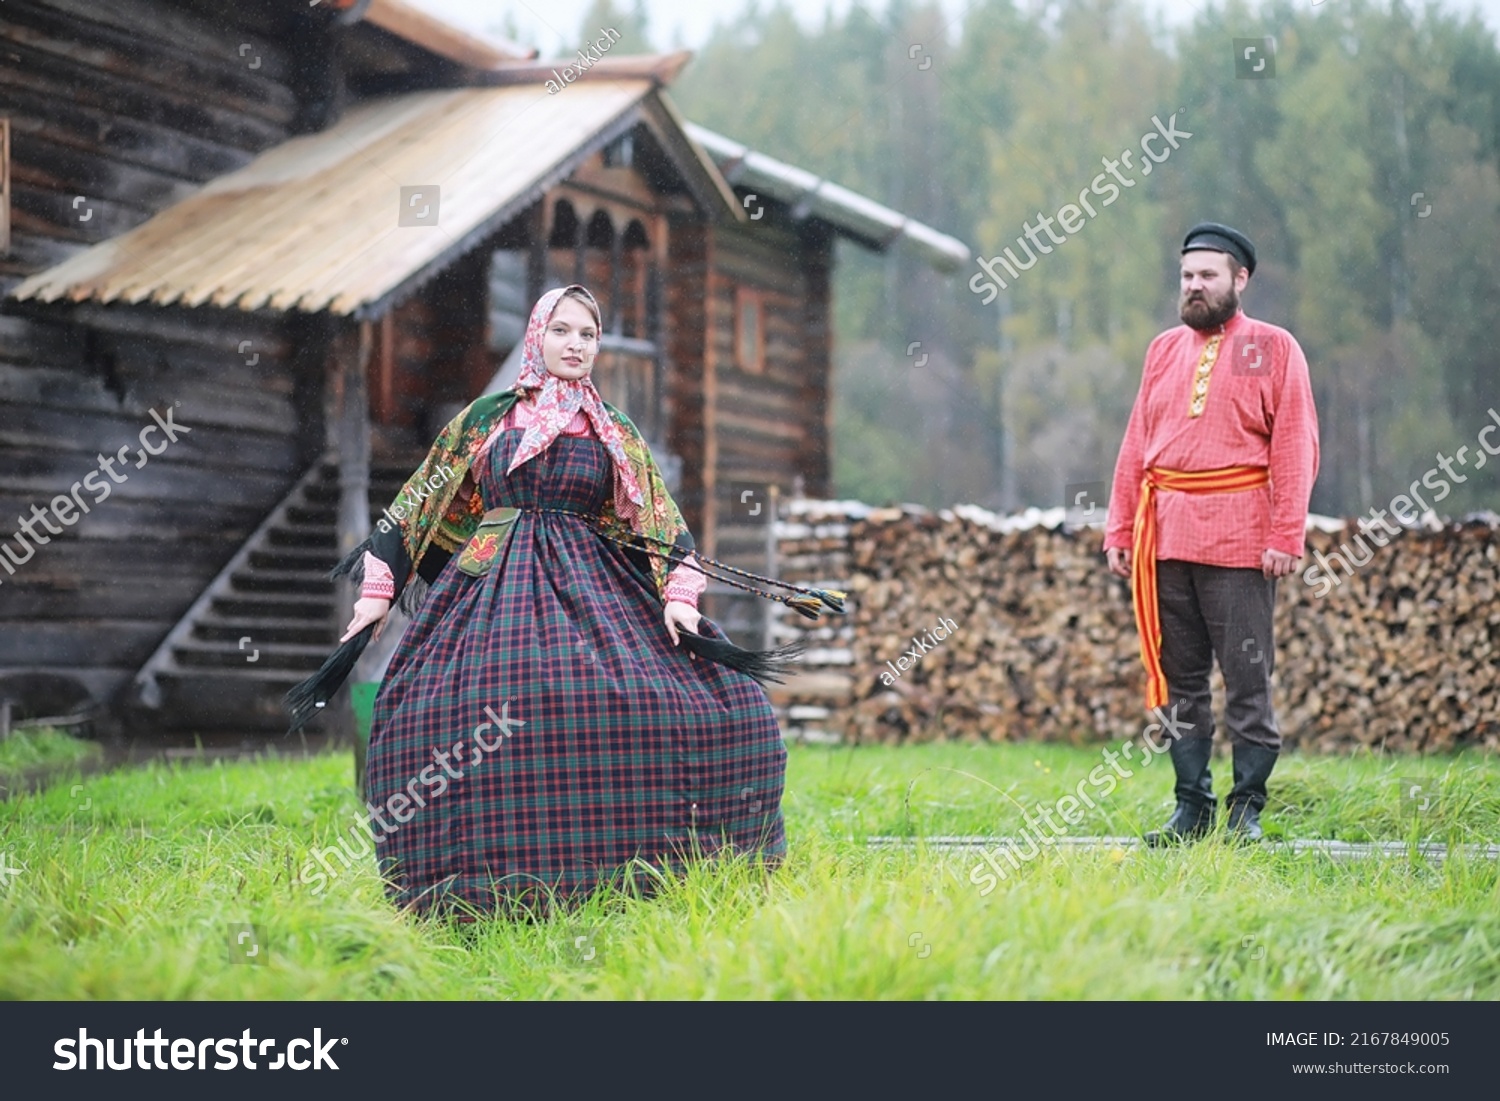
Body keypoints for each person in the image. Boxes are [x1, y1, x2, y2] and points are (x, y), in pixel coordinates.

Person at [287, 285, 840, 917]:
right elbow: (416, 505)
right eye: (562, 331)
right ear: (536, 336)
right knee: (465, 709)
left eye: (588, 334)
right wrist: (376, 595)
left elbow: (658, 520)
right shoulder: (485, 420)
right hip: (493, 586)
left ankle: (661, 871)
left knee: (704, 707)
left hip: (596, 581)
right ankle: (475, 885)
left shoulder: (615, 430)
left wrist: (680, 598)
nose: (575, 345)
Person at [1103, 223, 1320, 844]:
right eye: (1187, 277)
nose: (1194, 287)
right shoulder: (1162, 349)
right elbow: (1136, 444)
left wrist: (1286, 532)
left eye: (1207, 276)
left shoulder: (1275, 347)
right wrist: (1120, 525)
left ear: (1239, 280)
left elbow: (1295, 444)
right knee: (1180, 680)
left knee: (1248, 680)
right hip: (1164, 538)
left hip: (1241, 539)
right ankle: (1190, 809)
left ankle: (1246, 809)